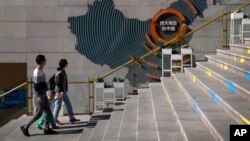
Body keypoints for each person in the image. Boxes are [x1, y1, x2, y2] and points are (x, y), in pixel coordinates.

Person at [20, 55, 57, 136]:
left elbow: (43, 84)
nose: (46, 61)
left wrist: (48, 90)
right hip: (39, 96)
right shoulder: (37, 72)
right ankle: (25, 126)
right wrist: (38, 97)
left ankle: (47, 128)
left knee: (48, 111)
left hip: (43, 95)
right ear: (42, 61)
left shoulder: (41, 70)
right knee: (38, 114)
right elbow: (36, 86)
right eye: (45, 59)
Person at [53, 59, 80, 125]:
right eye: (67, 63)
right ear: (65, 64)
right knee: (58, 105)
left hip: (63, 91)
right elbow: (58, 83)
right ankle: (54, 120)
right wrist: (62, 91)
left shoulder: (62, 71)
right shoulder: (60, 73)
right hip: (60, 91)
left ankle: (71, 118)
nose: (67, 64)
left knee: (68, 103)